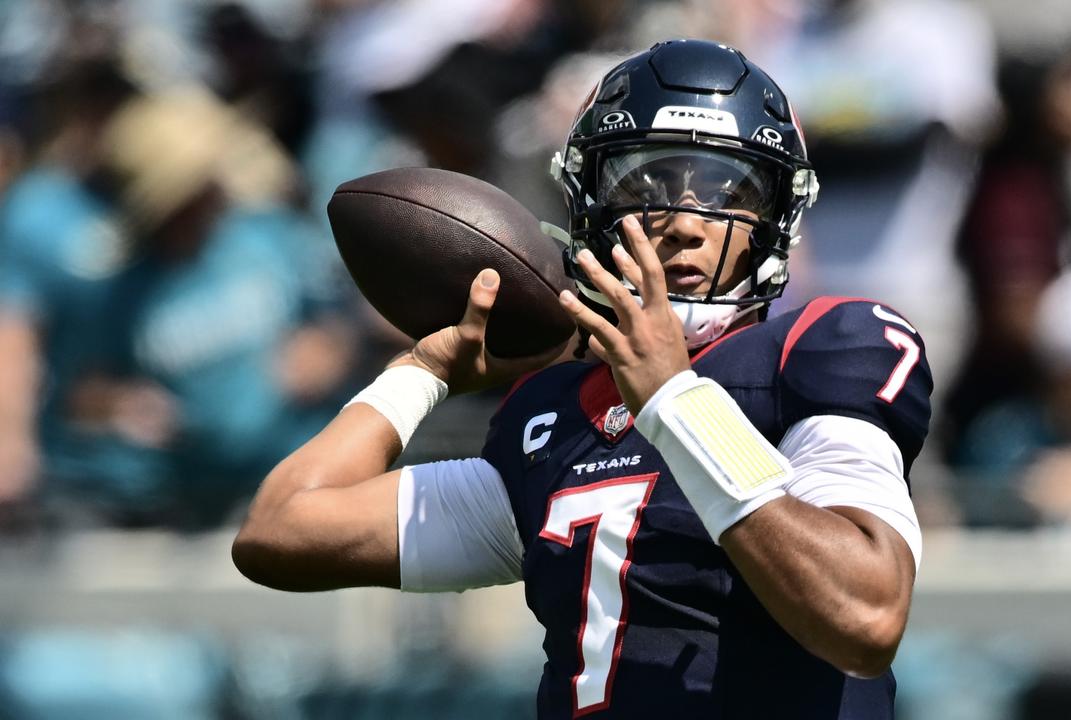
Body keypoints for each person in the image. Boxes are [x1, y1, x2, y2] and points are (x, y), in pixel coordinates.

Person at [234, 39, 931, 718]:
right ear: (589, 208)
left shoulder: (816, 350)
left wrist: (673, 401)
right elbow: (280, 530)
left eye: (727, 189)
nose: (686, 221)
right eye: (648, 184)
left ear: (773, 219)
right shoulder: (552, 420)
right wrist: (425, 371)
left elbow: (865, 618)